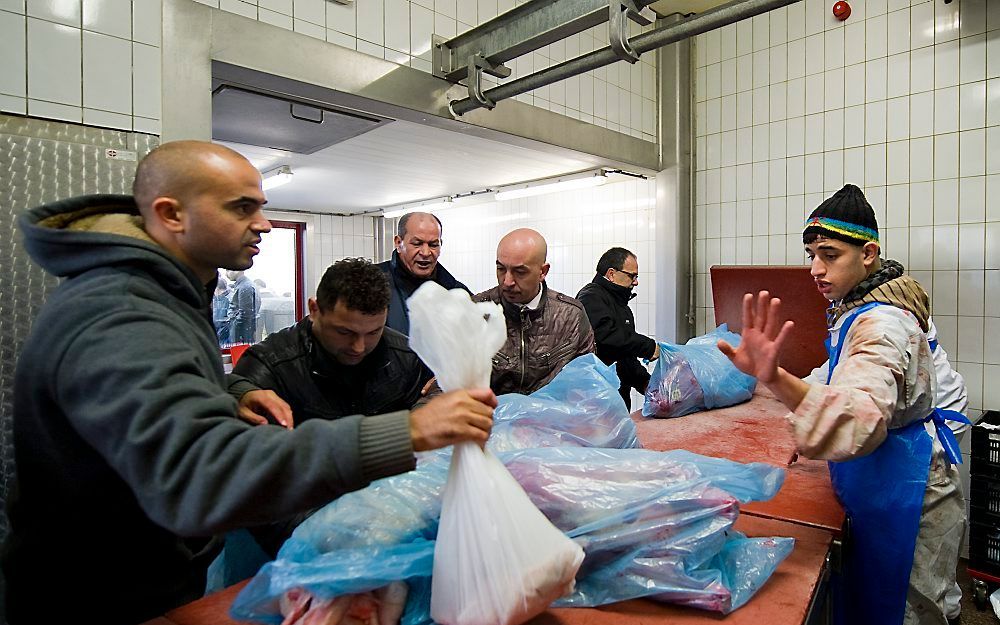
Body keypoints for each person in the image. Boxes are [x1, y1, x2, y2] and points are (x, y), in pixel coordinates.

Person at [1, 140, 497, 625]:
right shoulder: (124, 312)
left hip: (142, 579)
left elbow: (152, 409)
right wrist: (407, 433)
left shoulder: (166, 296)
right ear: (172, 214)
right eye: (241, 208)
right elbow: (198, 471)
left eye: (259, 207)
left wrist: (231, 393)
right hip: (95, 597)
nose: (261, 223)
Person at [717, 184, 967, 625]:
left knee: (909, 606)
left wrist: (780, 382)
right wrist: (776, 382)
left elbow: (858, 411)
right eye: (811, 253)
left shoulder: (883, 322)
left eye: (829, 254)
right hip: (888, 466)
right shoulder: (860, 303)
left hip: (908, 486)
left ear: (868, 253)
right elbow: (837, 375)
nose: (815, 267)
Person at [233, 257, 436, 424]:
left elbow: (433, 396)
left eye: (374, 332)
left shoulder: (406, 356)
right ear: (314, 309)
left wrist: (427, 408)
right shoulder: (268, 366)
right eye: (344, 332)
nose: (359, 347)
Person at [473, 228, 594, 395]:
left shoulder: (571, 316)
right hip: (489, 419)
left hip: (552, 420)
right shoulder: (476, 311)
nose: (507, 282)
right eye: (501, 269)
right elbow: (450, 383)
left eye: (520, 272)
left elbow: (587, 384)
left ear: (542, 272)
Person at [576, 247, 660, 409]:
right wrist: (648, 347)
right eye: (632, 276)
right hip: (595, 400)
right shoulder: (591, 297)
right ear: (611, 274)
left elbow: (624, 357)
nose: (635, 282)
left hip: (617, 400)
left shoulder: (621, 307)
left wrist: (646, 384)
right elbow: (606, 337)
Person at [377, 211, 470, 335]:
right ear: (399, 243)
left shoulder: (456, 292)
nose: (425, 253)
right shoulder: (373, 283)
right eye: (417, 243)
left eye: (433, 245)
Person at [226, 269, 259, 343]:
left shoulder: (245, 286)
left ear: (237, 270)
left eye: (228, 270)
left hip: (241, 334)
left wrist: (235, 328)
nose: (226, 274)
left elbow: (245, 314)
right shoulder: (244, 285)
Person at [212, 272, 231, 343]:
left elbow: (227, 320)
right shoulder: (216, 298)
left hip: (224, 333)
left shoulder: (228, 299)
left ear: (217, 288)